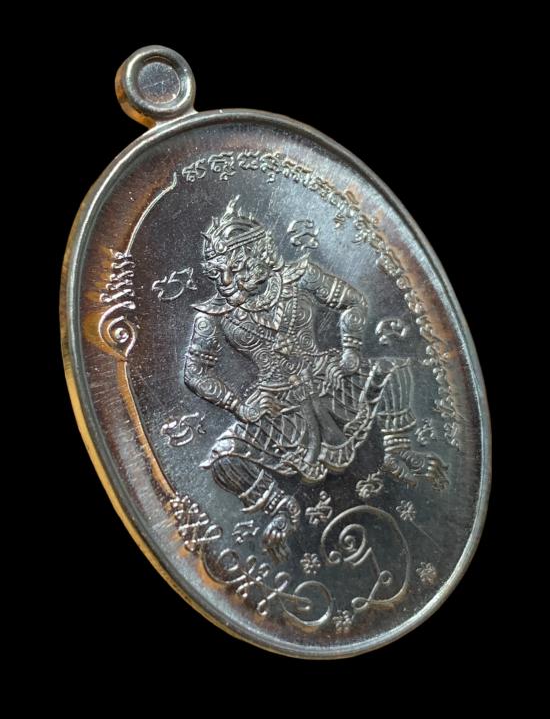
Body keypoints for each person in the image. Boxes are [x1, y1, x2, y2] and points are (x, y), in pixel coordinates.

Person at [184, 197, 447, 560]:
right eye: (218, 273)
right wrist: (239, 406)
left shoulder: (302, 277)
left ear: (260, 255)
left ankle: (398, 450)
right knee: (223, 459)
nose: (226, 282)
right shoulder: (212, 316)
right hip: (277, 405)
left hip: (327, 377)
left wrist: (351, 352)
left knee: (395, 372)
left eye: (236, 268)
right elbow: (194, 372)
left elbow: (353, 301)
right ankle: (280, 507)